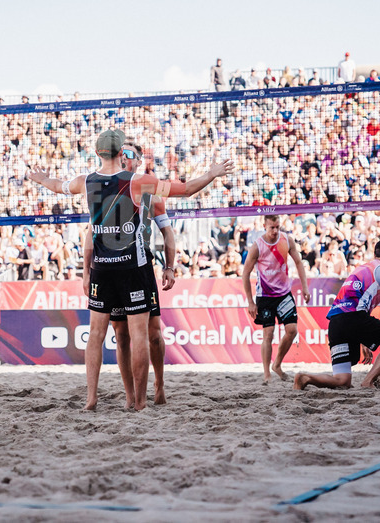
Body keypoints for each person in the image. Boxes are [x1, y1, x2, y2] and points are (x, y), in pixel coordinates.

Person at [26, 128, 232, 410]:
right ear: (122, 153)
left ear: (97, 153)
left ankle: (91, 399)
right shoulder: (139, 182)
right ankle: (139, 402)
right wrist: (212, 173)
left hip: (102, 268)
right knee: (139, 337)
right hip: (132, 267)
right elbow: (186, 189)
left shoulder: (85, 182)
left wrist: (39, 179)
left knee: (96, 336)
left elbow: (56, 184)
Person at [86, 141, 177, 407]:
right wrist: (85, 271)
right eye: (121, 153)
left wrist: (169, 267)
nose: (124, 157)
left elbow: (167, 232)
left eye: (130, 154)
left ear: (137, 161)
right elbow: (90, 234)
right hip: (111, 267)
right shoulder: (103, 188)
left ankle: (158, 385)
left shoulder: (148, 190)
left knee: (153, 333)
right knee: (121, 333)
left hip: (141, 266)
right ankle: (131, 397)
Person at [294, 239, 380, 391]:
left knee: (342, 380)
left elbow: (358, 305)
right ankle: (367, 381)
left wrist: (363, 340)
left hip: (335, 321)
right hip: (353, 318)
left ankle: (305, 378)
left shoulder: (361, 268)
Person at [241, 215, 310, 383]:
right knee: (268, 334)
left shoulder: (286, 240)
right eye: (272, 227)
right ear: (264, 226)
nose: (275, 231)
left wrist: (305, 287)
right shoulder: (257, 246)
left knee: (292, 330)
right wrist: (250, 302)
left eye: (277, 227)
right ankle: (267, 374)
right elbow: (245, 274)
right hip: (265, 295)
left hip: (284, 293)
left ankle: (277, 364)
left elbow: (299, 263)